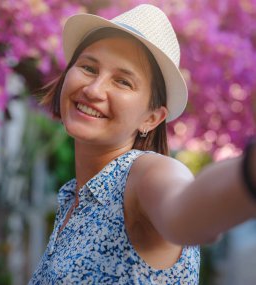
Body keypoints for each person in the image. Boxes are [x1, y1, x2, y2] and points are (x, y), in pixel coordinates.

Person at [29, 4, 256, 284]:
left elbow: (183, 211)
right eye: (88, 67)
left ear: (152, 117)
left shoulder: (144, 175)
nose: (93, 89)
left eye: (123, 82)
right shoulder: (71, 198)